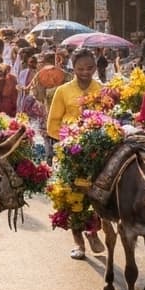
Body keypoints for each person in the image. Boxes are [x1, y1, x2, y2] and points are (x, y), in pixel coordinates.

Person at [47, 49, 107, 260]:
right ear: (72, 68)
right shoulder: (62, 91)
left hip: (95, 153)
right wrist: (67, 142)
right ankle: (79, 243)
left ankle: (92, 232)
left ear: (95, 67)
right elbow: (52, 124)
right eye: (80, 68)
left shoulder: (100, 89)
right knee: (72, 196)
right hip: (70, 153)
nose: (85, 72)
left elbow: (107, 119)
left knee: (95, 195)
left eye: (90, 68)